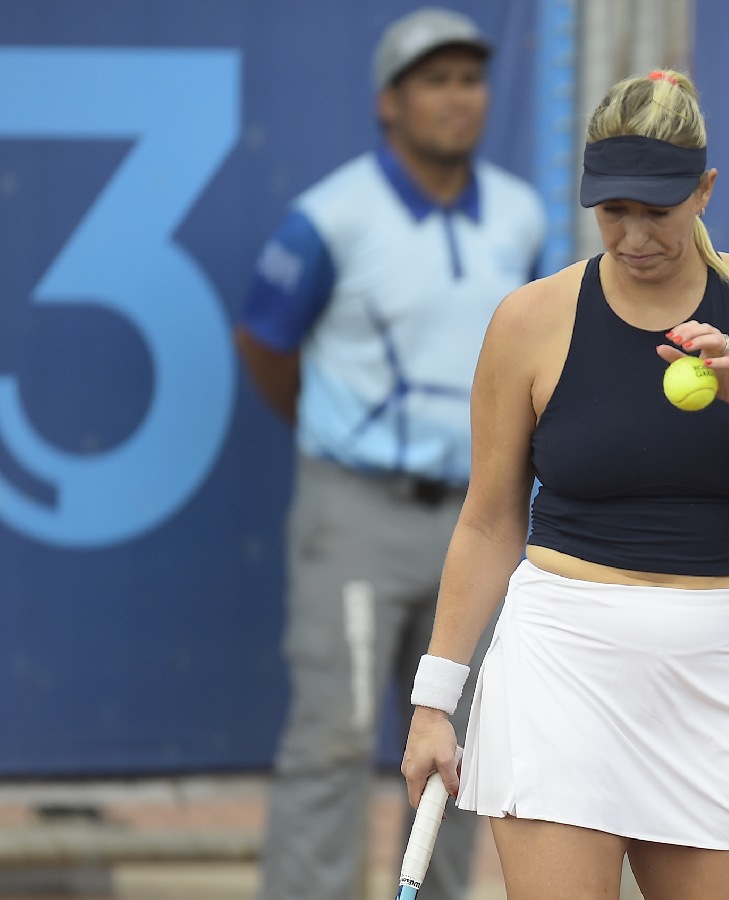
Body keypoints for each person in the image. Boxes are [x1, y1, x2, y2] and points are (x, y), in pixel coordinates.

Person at [398, 68, 729, 900]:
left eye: (659, 211)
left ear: (705, 191)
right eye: (614, 212)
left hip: (723, 673)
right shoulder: (528, 319)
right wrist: (435, 703)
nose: (635, 235)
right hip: (562, 668)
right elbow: (490, 522)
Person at [234, 8, 546, 899]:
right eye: (435, 81)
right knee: (331, 740)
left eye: (471, 79)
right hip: (357, 514)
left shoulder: (521, 217)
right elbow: (265, 342)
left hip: (478, 518)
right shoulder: (329, 219)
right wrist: (341, 441)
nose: (459, 98)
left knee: (463, 750)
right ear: (389, 103)